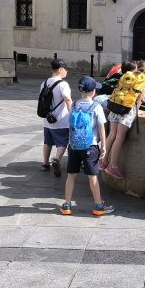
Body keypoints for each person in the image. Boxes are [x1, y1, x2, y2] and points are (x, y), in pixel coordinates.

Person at [60, 76, 114, 216]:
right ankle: (98, 206)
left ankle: (67, 205)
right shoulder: (96, 107)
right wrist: (103, 146)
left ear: (80, 90)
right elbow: (101, 128)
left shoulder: (74, 105)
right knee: (92, 177)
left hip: (74, 146)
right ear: (94, 91)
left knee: (71, 176)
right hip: (90, 145)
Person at [101, 60, 141, 178]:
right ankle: (112, 166)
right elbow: (138, 100)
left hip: (115, 106)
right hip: (126, 110)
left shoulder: (121, 77)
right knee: (119, 137)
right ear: (133, 70)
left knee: (112, 134)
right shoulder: (135, 80)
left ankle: (103, 162)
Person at [40, 59, 72, 176]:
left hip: (47, 120)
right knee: (62, 142)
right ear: (60, 69)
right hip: (61, 120)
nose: (67, 71)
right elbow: (67, 99)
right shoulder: (63, 84)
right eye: (66, 69)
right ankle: (57, 160)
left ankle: (45, 163)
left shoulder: (44, 83)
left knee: (47, 142)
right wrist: (72, 113)